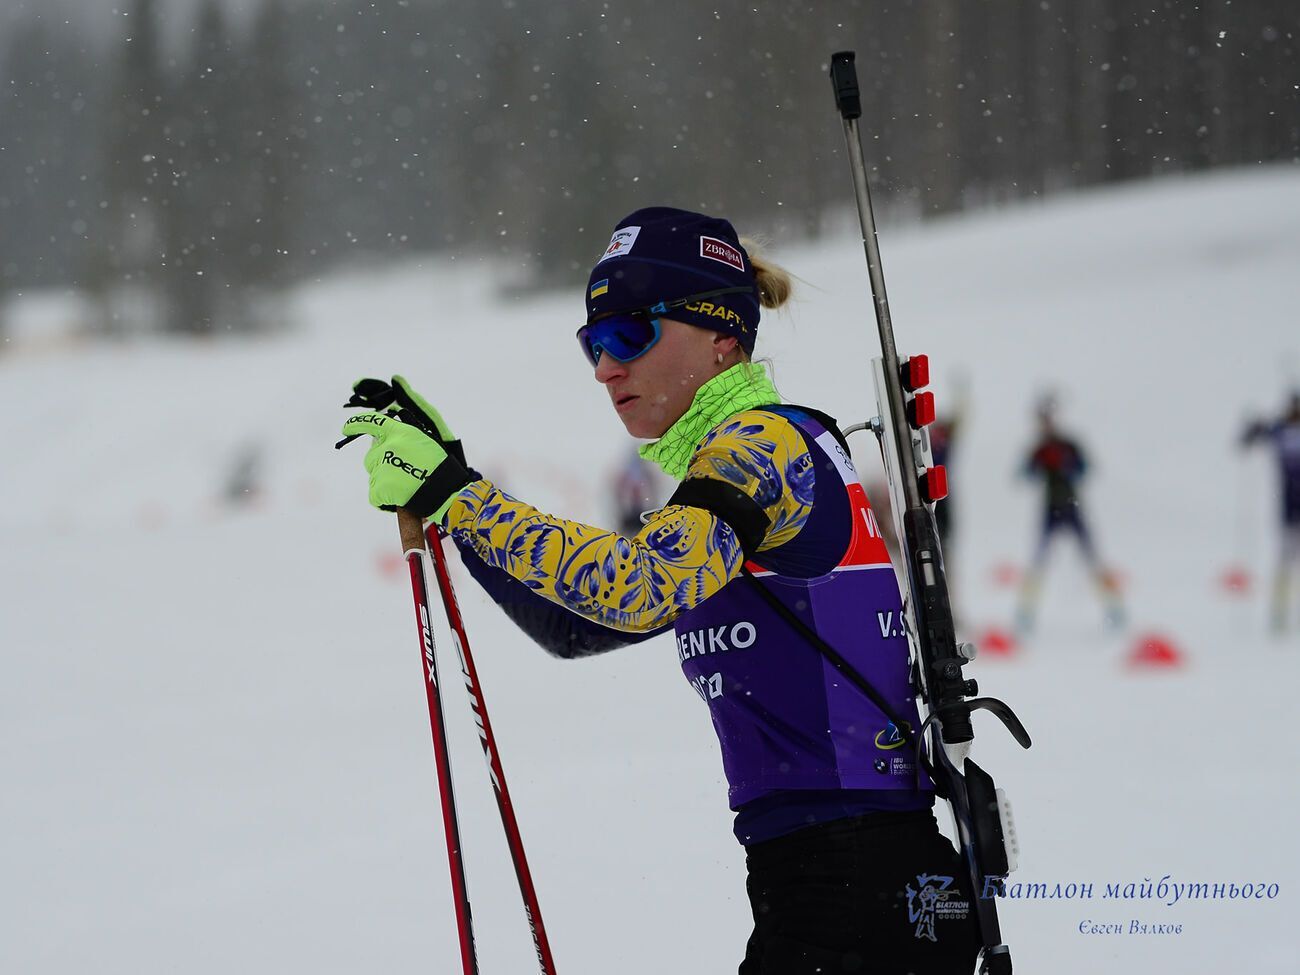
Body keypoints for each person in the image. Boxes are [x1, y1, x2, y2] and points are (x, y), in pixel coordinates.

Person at [341, 207, 981, 974]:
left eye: (630, 335)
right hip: (835, 885)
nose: (608, 367)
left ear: (723, 339)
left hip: (858, 887)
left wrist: (460, 497)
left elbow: (636, 587)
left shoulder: (766, 447)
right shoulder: (729, 476)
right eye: (593, 343)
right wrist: (457, 493)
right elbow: (573, 626)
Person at [1015, 397, 1123, 633]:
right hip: (1050, 510)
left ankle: (1115, 609)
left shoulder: (1068, 444)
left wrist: (1065, 464)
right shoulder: (1039, 448)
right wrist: (1040, 465)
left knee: (1092, 559)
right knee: (1039, 561)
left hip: (1071, 508)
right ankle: (1025, 615)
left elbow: (1085, 470)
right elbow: (1024, 475)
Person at [1241, 391, 1300, 632]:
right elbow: (1252, 437)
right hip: (1288, 508)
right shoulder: (1280, 431)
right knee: (1285, 561)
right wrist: (1253, 428)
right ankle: (1279, 613)